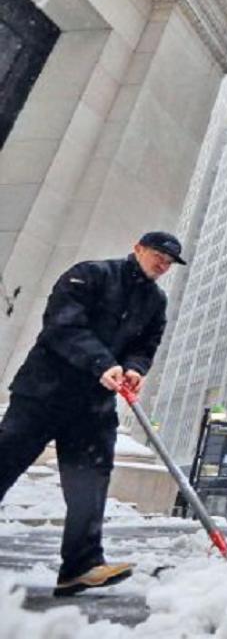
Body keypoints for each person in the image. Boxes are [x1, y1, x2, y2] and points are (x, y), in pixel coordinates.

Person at [0, 232, 183, 596]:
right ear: (138, 249)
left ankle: (81, 566)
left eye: (169, 261)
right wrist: (101, 361)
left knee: (90, 480)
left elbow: (146, 344)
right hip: (44, 393)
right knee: (5, 460)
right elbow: (62, 325)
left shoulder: (156, 301)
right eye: (158, 255)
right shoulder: (91, 274)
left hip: (93, 405)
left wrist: (134, 368)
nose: (163, 264)